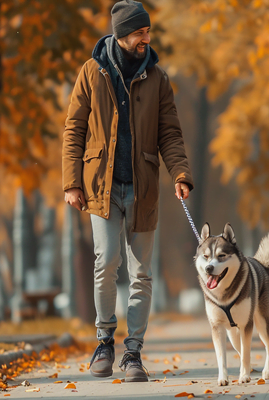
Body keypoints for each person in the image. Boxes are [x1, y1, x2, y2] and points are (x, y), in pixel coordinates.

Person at [62, 0, 194, 383]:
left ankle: (133, 352)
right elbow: (74, 130)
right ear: (121, 35)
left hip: (144, 188)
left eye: (147, 32)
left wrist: (180, 173)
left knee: (141, 273)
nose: (145, 39)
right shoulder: (91, 73)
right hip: (100, 188)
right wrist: (72, 182)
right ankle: (105, 341)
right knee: (106, 263)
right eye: (139, 33)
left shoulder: (158, 78)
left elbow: (170, 132)